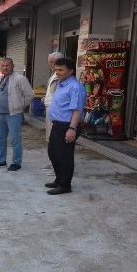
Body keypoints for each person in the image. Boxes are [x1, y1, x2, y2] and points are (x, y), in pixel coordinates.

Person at [46, 57, 86, 195]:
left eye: (61, 70)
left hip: (67, 126)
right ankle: (59, 179)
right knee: (53, 153)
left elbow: (77, 109)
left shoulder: (75, 87)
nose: (57, 72)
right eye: (56, 69)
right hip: (57, 125)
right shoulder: (62, 84)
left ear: (70, 71)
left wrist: (72, 129)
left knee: (64, 156)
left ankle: (65, 185)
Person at [0, 58, 34, 172]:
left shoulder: (20, 79)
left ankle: (16, 162)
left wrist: (20, 106)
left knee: (15, 140)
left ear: (12, 66)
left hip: (13, 114)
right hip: (0, 114)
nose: (5, 68)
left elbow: (29, 95)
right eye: (2, 66)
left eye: (7, 65)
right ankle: (1, 160)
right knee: (0, 139)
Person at [43, 51, 64, 141]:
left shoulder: (61, 77)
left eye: (52, 62)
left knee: (54, 135)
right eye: (49, 62)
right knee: (49, 133)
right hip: (49, 107)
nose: (50, 64)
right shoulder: (53, 75)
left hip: (55, 109)